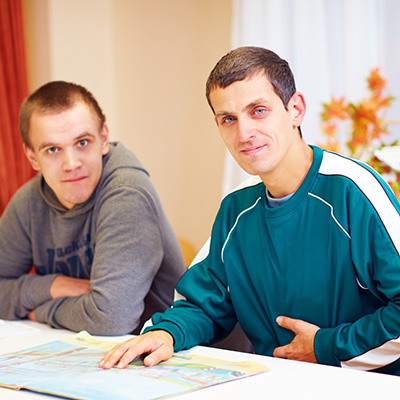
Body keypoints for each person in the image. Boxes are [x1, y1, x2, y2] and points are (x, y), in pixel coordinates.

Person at [100, 47, 400, 375]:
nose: (244, 133)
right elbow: (203, 302)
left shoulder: (353, 191)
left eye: (258, 111)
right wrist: (166, 332)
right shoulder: (237, 207)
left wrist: (326, 346)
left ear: (295, 109)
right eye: (229, 119)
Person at [0, 81, 186, 335]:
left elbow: (111, 319)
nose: (71, 163)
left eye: (83, 142)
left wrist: (40, 311)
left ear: (104, 139)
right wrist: (52, 286)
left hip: (171, 357)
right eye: (52, 149)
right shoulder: (28, 203)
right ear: (33, 157)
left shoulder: (126, 191)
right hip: (91, 357)